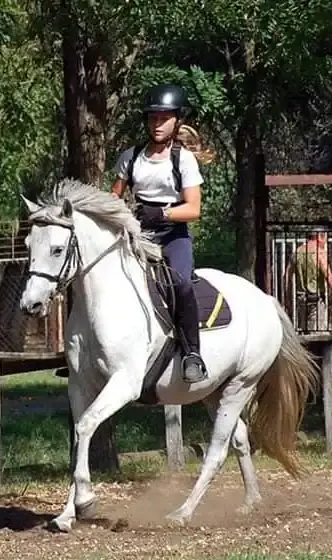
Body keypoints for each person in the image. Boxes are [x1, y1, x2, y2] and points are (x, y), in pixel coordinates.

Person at [111, 83, 209, 384]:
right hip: (137, 231)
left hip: (172, 233)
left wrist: (162, 213)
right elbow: (114, 197)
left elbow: (193, 209)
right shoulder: (131, 157)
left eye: (163, 118)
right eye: (152, 118)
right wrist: (122, 214)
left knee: (180, 283)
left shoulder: (183, 160)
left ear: (176, 120)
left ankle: (193, 353)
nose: (157, 124)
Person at [284, 230, 332, 332]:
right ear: (319, 238)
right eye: (325, 240)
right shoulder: (319, 253)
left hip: (301, 298)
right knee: (318, 332)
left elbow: (287, 276)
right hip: (316, 298)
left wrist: (287, 298)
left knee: (305, 331)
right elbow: (329, 276)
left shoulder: (297, 252)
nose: (325, 244)